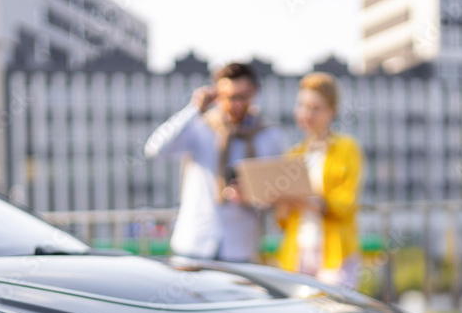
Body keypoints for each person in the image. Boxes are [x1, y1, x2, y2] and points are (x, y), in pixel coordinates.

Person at [144, 63, 287, 262]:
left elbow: (279, 192)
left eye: (242, 96)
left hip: (240, 248)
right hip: (194, 244)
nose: (235, 104)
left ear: (255, 92)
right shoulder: (200, 127)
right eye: (228, 97)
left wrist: (252, 195)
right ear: (217, 94)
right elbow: (155, 149)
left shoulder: (270, 136)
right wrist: (194, 109)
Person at [274, 72, 364, 289]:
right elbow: (283, 222)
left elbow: (344, 205)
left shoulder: (346, 149)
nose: (306, 114)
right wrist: (282, 201)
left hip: (334, 253)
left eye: (315, 108)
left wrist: (304, 199)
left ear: (331, 112)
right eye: (302, 106)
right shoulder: (293, 155)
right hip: (298, 253)